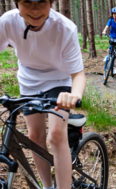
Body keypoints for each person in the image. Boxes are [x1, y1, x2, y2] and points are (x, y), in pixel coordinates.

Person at [0, 1, 86, 189]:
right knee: (35, 137)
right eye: (27, 2)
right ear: (17, 3)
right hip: (29, 82)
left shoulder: (64, 28)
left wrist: (75, 95)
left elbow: (78, 74)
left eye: (41, 2)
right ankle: (46, 187)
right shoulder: (7, 22)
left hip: (60, 81)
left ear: (51, 3)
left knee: (55, 135)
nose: (35, 9)